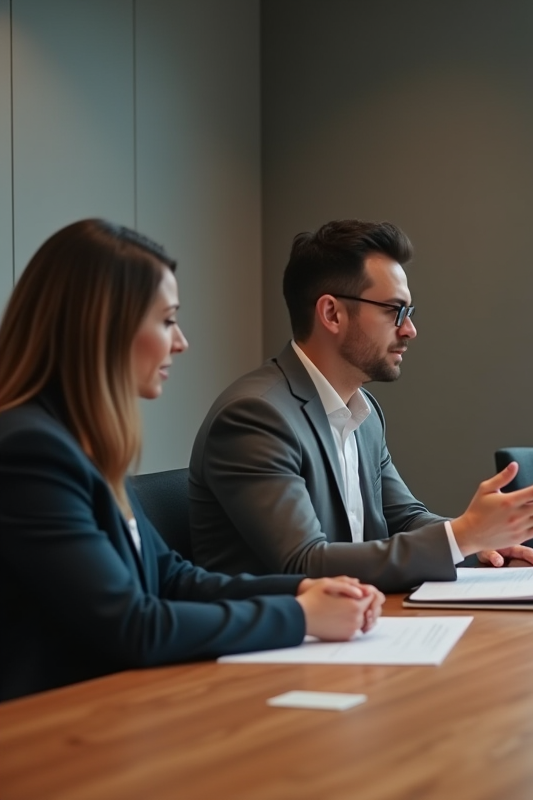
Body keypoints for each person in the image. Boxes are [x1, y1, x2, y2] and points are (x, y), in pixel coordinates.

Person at [0, 219, 383, 702]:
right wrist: (302, 617)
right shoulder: (29, 451)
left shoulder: (80, 444)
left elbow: (173, 579)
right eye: (165, 320)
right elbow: (133, 625)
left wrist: (304, 590)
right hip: (46, 733)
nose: (180, 342)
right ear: (102, 327)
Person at [189, 220, 533, 592]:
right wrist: (462, 535)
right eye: (394, 310)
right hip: (273, 649)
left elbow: (403, 518)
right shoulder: (256, 416)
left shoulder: (363, 412)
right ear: (332, 314)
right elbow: (304, 563)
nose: (409, 330)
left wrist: (477, 544)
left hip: (355, 629)